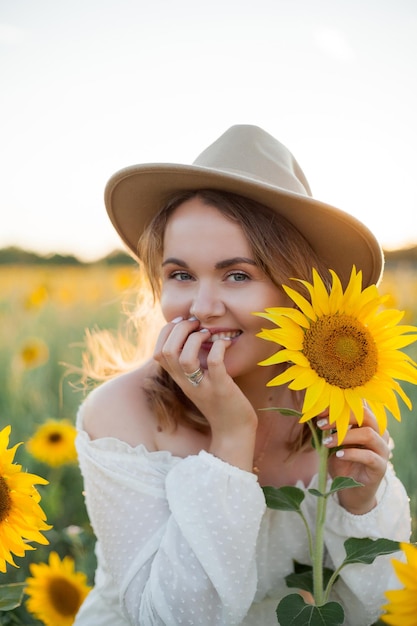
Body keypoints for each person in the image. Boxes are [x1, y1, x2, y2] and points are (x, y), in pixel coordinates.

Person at [74, 125, 411, 626]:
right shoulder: (121, 415)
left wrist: (360, 506)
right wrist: (231, 436)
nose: (204, 307)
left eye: (238, 275)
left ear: (297, 290)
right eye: (181, 275)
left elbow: (380, 606)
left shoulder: (335, 404)